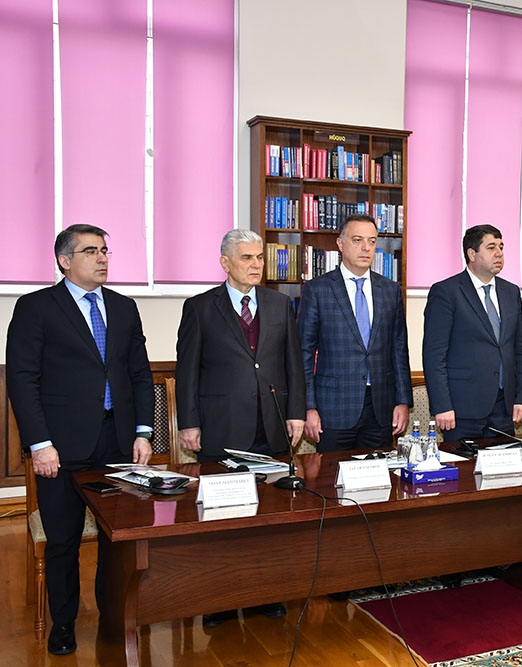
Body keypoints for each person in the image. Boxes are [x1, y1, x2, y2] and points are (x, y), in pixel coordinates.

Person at [6, 224, 155, 655]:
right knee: (63, 542)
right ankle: (64, 624)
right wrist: (39, 444)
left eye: (105, 250)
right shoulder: (37, 307)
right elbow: (22, 379)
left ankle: (114, 618)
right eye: (91, 251)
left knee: (118, 540)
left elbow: (140, 375)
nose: (102, 257)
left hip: (118, 444)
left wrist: (143, 431)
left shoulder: (124, 308)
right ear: (64, 261)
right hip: (61, 447)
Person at [175, 229, 305, 626]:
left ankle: (265, 594)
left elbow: (293, 364)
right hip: (222, 427)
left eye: (259, 258)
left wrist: (296, 412)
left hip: (270, 423)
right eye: (247, 258)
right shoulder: (200, 307)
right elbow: (187, 371)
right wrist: (189, 422)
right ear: (225, 262)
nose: (256, 265)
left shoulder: (279, 304)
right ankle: (220, 599)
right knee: (223, 520)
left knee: (270, 518)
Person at [298, 214, 412, 450]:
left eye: (372, 241)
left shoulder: (390, 290)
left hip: (380, 407)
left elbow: (399, 350)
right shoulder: (317, 290)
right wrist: (308, 406)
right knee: (331, 472)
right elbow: (304, 354)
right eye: (357, 240)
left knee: (379, 472)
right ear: (340, 244)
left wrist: (402, 401)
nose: (366, 248)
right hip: (333, 408)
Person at [422, 224, 522, 440]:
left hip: (504, 407)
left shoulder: (510, 292)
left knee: (504, 462)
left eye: (501, 247)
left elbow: (519, 350)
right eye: (491, 248)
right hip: (462, 409)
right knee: (462, 463)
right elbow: (434, 355)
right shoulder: (446, 292)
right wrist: (442, 405)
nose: (499, 253)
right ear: (472, 254)